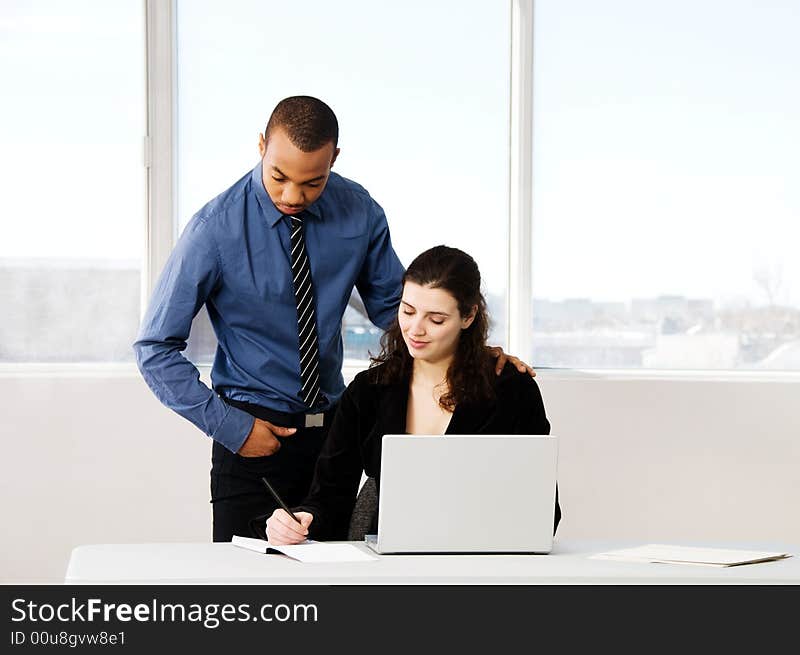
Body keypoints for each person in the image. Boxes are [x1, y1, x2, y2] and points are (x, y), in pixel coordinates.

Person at [133, 96, 532, 542]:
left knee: (337, 590)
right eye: (278, 177)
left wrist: (469, 347)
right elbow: (154, 348)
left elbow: (395, 311)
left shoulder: (358, 211)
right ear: (261, 145)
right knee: (248, 590)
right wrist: (233, 427)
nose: (291, 197)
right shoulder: (214, 229)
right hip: (251, 439)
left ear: (334, 159)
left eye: (312, 183)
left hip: (334, 436)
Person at [264, 245, 561, 545]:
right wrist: (302, 519)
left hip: (485, 556)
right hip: (390, 560)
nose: (414, 329)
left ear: (469, 316)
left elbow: (545, 511)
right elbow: (327, 495)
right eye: (407, 311)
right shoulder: (368, 391)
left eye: (436, 319)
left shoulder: (512, 388)